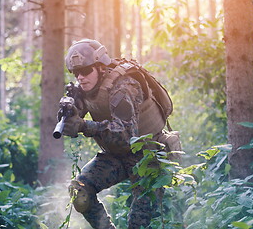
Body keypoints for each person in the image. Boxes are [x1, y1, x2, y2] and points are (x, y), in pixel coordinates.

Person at [60, 39, 181, 229]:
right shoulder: (85, 88)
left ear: (101, 67)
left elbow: (125, 135)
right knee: (80, 192)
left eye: (85, 71)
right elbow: (78, 115)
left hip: (147, 154)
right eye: (76, 73)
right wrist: (70, 114)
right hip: (117, 155)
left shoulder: (124, 87)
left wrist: (84, 126)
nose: (80, 77)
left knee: (140, 223)